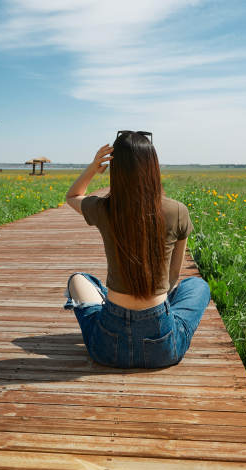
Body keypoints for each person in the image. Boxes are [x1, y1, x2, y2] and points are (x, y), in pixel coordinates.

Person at [63, 130, 211, 368]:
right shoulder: (177, 211)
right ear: (153, 166)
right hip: (162, 347)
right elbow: (173, 278)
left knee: (78, 280)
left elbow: (72, 196)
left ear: (115, 170)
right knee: (197, 286)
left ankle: (107, 299)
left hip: (107, 348)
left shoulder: (103, 208)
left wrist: (93, 167)